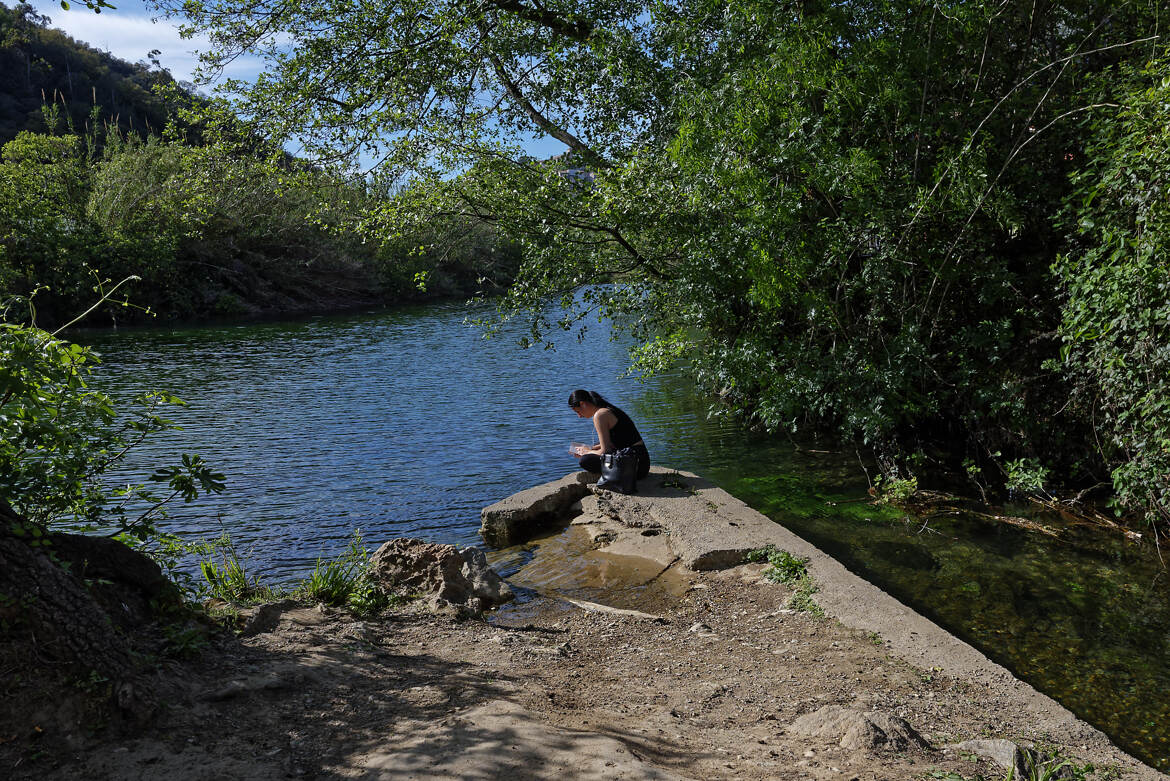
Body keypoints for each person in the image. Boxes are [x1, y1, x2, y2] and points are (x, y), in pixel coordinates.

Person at [567, 389, 651, 480]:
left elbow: (605, 451)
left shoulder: (600, 415)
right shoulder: (607, 409)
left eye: (578, 412)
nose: (579, 416)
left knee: (585, 460)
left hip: (634, 466)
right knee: (594, 447)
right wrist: (590, 448)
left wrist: (585, 452)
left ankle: (611, 476)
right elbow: (614, 442)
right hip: (641, 462)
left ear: (583, 404)